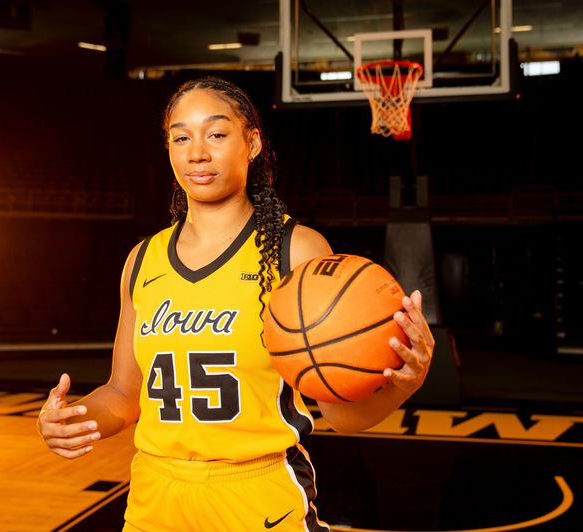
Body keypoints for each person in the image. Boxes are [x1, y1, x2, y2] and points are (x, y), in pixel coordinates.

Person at [37, 76, 434, 531]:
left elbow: (340, 414)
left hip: (257, 496)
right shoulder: (142, 259)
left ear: (253, 143)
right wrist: (72, 420)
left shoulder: (294, 250)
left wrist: (405, 382)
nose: (197, 153)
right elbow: (125, 394)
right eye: (181, 137)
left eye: (216, 134)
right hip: (154, 497)